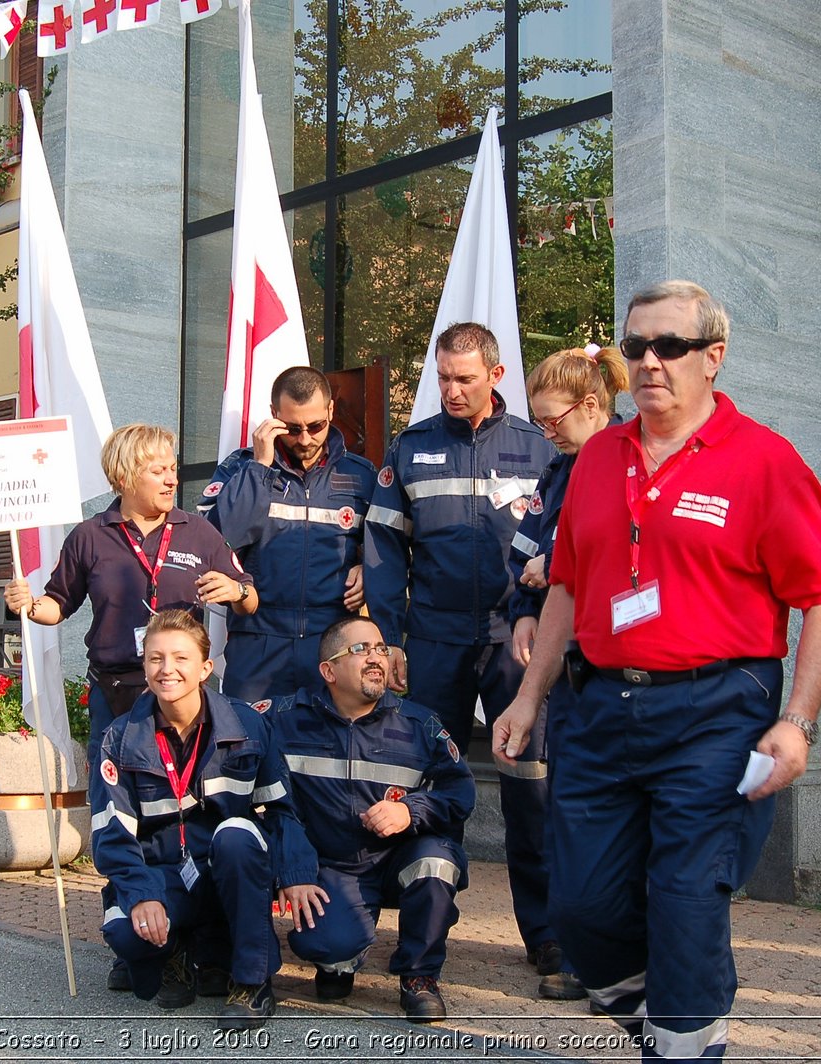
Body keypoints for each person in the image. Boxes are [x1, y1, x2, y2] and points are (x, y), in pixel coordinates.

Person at [493, 280, 821, 1062]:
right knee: (580, 910)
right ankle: (677, 1017)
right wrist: (529, 694)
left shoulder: (765, 461)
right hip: (598, 712)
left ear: (712, 357)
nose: (649, 362)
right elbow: (567, 584)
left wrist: (799, 721)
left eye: (670, 347)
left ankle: (684, 1041)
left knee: (686, 905)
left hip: (717, 714)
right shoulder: (595, 462)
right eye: (635, 347)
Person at [364, 320, 556, 968]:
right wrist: (389, 640)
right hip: (435, 642)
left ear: (495, 377)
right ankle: (422, 944)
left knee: (530, 787)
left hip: (514, 642)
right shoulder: (411, 449)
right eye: (443, 377)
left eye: (464, 379)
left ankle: (548, 939)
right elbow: (385, 553)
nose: (451, 389)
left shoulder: (538, 450)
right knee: (423, 785)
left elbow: (565, 541)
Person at [89, 609, 301, 1030]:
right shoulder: (119, 738)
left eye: (181, 658)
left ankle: (251, 982)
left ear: (205, 668)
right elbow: (112, 837)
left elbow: (281, 811)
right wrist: (142, 894)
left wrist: (295, 870)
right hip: (164, 875)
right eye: (155, 658)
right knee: (123, 929)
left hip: (227, 872)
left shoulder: (248, 725)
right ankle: (176, 950)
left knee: (238, 834)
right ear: (144, 665)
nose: (167, 669)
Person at [4, 423, 257, 771]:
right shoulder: (89, 536)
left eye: (173, 469)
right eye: (158, 471)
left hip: (180, 690)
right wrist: (29, 604)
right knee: (113, 796)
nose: (172, 480)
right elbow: (57, 605)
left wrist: (237, 590)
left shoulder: (198, 531)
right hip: (114, 690)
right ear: (123, 477)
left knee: (181, 793)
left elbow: (250, 600)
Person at [269, 616, 475, 1023]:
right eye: (360, 650)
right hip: (331, 869)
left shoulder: (420, 724)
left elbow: (460, 791)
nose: (376, 658)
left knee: (437, 859)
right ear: (327, 670)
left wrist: (409, 810)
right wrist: (292, 869)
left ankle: (420, 976)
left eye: (381, 648)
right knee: (328, 949)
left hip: (396, 860)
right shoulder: (284, 719)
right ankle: (343, 958)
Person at [506, 342, 629, 1001]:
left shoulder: (627, 466)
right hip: (569, 673)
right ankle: (579, 952)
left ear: (590, 406)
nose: (544, 433)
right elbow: (524, 557)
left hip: (622, 673)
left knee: (619, 826)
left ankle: (629, 958)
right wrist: (528, 608)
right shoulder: (557, 475)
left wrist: (560, 570)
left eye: (551, 421)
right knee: (572, 817)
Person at [200, 367, 378, 701]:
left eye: (316, 426)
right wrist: (260, 469)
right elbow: (218, 540)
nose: (306, 439)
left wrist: (368, 568)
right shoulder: (240, 470)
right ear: (273, 417)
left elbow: (390, 552)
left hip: (332, 646)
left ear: (330, 411)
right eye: (293, 428)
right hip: (259, 642)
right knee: (248, 747)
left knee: (327, 749)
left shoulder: (361, 476)